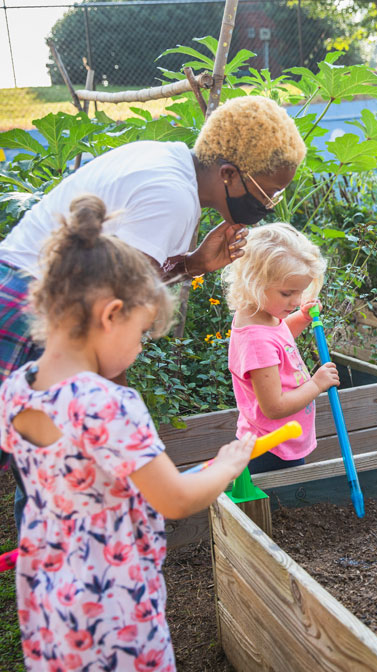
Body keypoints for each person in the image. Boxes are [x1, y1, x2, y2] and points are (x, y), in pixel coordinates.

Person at [0, 95, 305, 528]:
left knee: (46, 469)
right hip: (25, 306)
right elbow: (119, 311)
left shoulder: (167, 164)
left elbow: (114, 284)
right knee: (74, 475)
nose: (271, 204)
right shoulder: (173, 198)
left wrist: (192, 264)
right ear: (230, 175)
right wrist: (124, 409)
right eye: (269, 191)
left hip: (27, 296)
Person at [0, 196, 255, 671]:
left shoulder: (16, 390)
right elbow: (175, 499)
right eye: (140, 334)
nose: (138, 349)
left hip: (50, 596)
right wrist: (227, 464)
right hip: (110, 602)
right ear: (111, 314)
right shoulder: (109, 405)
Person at [222, 222, 338, 473]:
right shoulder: (255, 340)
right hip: (272, 448)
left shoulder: (262, 315)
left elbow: (280, 341)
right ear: (254, 282)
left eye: (300, 292)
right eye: (287, 293)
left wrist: (301, 318)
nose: (296, 301)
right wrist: (316, 385)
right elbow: (274, 407)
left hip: (281, 441)